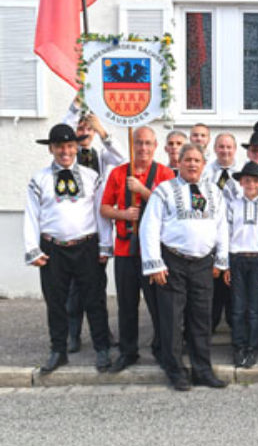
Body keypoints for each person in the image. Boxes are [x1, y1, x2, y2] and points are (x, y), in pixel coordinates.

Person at [23, 124, 113, 374]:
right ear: (51, 149)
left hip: (86, 246)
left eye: (70, 146)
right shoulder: (38, 179)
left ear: (76, 147)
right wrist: (32, 249)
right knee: (56, 302)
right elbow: (32, 215)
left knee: (95, 300)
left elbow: (100, 214)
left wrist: (105, 244)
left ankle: (102, 348)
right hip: (53, 249)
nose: (65, 151)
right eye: (60, 147)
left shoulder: (91, 177)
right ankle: (58, 350)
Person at [140, 143, 229, 391]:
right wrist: (155, 264)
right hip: (172, 263)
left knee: (201, 318)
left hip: (203, 263)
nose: (192, 164)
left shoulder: (214, 192)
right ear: (178, 162)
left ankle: (202, 370)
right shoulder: (164, 191)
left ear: (203, 164)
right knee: (172, 319)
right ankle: (175, 370)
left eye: (197, 160)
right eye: (187, 159)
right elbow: (150, 227)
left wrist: (221, 260)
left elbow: (222, 227)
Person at [100, 126, 174, 373]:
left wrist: (143, 192)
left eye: (147, 143)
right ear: (133, 145)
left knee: (158, 305)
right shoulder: (119, 173)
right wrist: (122, 213)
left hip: (152, 253)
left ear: (155, 146)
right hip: (124, 250)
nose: (143, 148)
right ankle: (128, 351)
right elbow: (104, 208)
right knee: (126, 304)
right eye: (139, 143)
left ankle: (162, 349)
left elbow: (171, 209)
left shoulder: (164, 174)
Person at [63, 109, 125, 353]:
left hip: (97, 232)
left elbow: (122, 157)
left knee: (96, 286)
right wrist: (76, 107)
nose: (85, 133)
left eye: (88, 129)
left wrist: (102, 130)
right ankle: (73, 334)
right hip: (73, 230)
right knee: (73, 288)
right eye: (81, 128)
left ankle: (102, 332)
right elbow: (62, 128)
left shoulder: (102, 156)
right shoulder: (66, 158)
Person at [224, 161, 258, 369]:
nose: (251, 184)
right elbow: (225, 235)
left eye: (255, 181)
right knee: (237, 308)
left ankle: (253, 348)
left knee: (254, 308)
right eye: (247, 180)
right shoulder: (232, 205)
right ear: (241, 182)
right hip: (237, 258)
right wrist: (225, 264)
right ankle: (238, 346)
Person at [203, 133, 239, 333]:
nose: (225, 151)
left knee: (233, 291)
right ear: (215, 148)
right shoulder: (205, 173)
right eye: (221, 146)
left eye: (229, 147)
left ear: (235, 150)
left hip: (235, 239)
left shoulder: (243, 175)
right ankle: (209, 330)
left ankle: (235, 334)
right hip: (212, 239)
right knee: (213, 292)